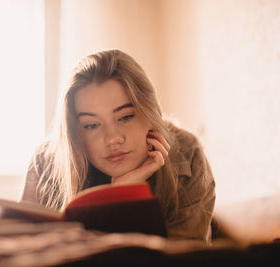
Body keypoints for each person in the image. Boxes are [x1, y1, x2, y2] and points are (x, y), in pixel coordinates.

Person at [20, 49, 215, 242]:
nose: (112, 139)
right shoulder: (46, 161)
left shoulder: (186, 153)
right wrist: (116, 196)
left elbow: (187, 257)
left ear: (152, 113)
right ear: (74, 131)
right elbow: (25, 252)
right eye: (91, 125)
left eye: (126, 117)